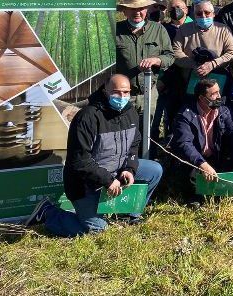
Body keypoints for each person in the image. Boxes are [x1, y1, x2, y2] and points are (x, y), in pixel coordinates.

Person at [25, 75, 163, 236]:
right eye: (116, 93)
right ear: (105, 91)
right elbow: (80, 161)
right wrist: (107, 180)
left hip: (116, 171)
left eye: (126, 92)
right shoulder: (87, 117)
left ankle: (129, 214)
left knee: (154, 170)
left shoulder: (131, 113)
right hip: (84, 183)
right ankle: (49, 213)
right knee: (97, 231)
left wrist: (130, 169)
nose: (122, 97)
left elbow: (134, 144)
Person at [171, 78, 233, 203]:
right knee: (196, 194)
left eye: (218, 92)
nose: (218, 97)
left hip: (217, 158)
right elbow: (184, 144)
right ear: (202, 98)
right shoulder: (185, 115)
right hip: (194, 162)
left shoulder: (224, 111)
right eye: (213, 94)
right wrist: (202, 164)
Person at [115, 0, 175, 117]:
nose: (137, 12)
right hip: (122, 96)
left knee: (148, 132)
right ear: (124, 11)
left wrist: (157, 60)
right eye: (132, 9)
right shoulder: (115, 30)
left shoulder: (158, 29)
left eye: (141, 8)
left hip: (149, 94)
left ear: (146, 9)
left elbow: (170, 56)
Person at [172, 0, 233, 87]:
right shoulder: (183, 29)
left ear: (213, 14)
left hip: (217, 80)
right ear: (194, 15)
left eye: (207, 13)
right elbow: (175, 51)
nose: (203, 16)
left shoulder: (223, 30)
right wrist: (194, 65)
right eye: (199, 14)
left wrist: (212, 64)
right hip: (190, 80)